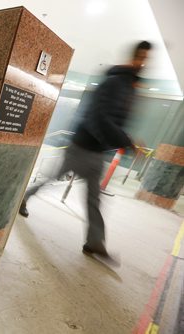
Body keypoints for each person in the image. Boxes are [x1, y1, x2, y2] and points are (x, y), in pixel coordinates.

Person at [19, 41, 152, 257]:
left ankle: (95, 242)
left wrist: (124, 141)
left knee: (94, 198)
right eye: (143, 58)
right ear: (135, 58)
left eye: (147, 61)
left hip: (98, 151)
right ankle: (24, 197)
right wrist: (127, 142)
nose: (144, 64)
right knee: (52, 177)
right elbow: (100, 117)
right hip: (82, 147)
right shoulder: (114, 83)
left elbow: (114, 121)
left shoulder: (129, 88)